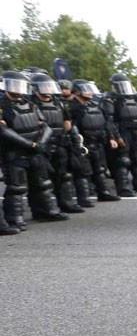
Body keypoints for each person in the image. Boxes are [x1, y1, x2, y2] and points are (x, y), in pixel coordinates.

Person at [0, 70, 69, 228]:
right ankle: (14, 218)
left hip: (36, 149)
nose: (18, 89)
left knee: (42, 182)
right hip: (14, 152)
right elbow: (4, 131)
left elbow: (45, 125)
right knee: (17, 187)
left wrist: (41, 143)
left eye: (21, 85)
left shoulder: (31, 104)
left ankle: (45, 211)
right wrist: (30, 145)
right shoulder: (2, 106)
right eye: (14, 85)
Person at [30, 72, 90, 212]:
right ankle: (43, 210)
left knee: (64, 175)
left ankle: (66, 204)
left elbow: (67, 122)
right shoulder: (32, 104)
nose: (47, 90)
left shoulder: (59, 103)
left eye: (48, 86)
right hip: (41, 145)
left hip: (60, 143)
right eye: (44, 87)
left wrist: (71, 139)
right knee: (41, 180)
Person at [69, 80, 121, 202]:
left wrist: (111, 138)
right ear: (77, 91)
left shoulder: (94, 105)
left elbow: (105, 123)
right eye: (86, 89)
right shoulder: (72, 107)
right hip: (83, 144)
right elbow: (71, 127)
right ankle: (84, 198)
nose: (90, 92)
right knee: (83, 172)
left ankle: (104, 193)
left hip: (97, 142)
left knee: (100, 169)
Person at [102, 73, 137, 195]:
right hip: (123, 131)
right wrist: (116, 136)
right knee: (123, 160)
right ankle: (123, 187)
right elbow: (109, 120)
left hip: (136, 131)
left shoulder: (133, 98)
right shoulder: (110, 99)